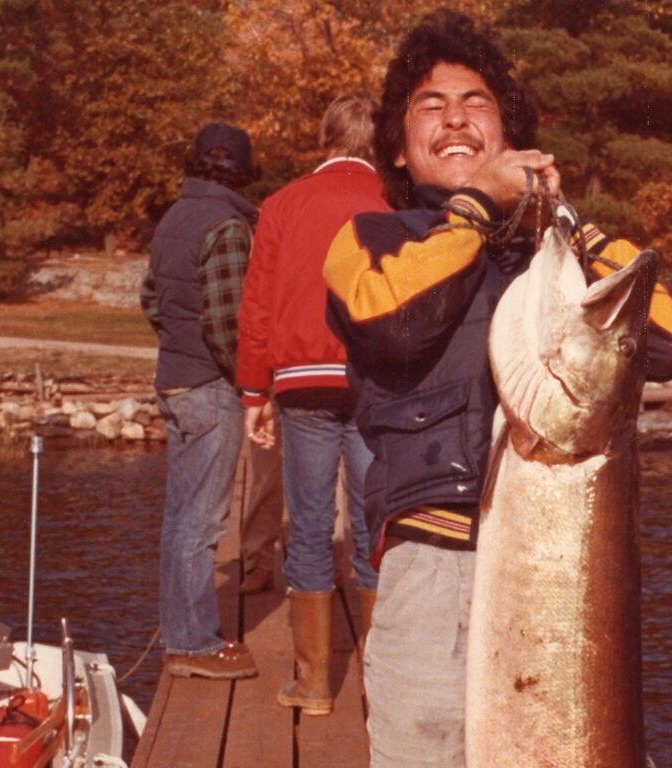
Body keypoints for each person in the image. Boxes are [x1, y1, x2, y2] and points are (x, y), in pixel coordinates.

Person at [322, 11, 672, 766]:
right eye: (431, 105)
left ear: (511, 137)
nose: (456, 117)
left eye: (478, 103)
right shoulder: (371, 239)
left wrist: (570, 224)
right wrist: (472, 210)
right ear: (397, 145)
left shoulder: (553, 262)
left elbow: (670, 342)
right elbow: (391, 323)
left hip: (563, 561)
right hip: (437, 565)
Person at [236, 93, 389, 716]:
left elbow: (258, 306)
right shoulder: (395, 201)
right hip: (374, 379)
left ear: (326, 139)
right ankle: (381, 679)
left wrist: (254, 391)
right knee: (372, 524)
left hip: (302, 381)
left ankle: (314, 683)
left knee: (308, 524)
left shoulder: (281, 204)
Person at [140, 122, 260, 680]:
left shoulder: (173, 216)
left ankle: (181, 636)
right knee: (202, 525)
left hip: (174, 380)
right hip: (210, 388)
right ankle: (193, 645)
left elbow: (151, 298)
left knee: (179, 521)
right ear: (242, 173)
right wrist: (252, 387)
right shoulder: (228, 226)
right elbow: (227, 324)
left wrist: (179, 343)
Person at [238, 405, 285, 596]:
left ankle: (328, 560)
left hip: (327, 395)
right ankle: (259, 564)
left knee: (323, 478)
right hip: (271, 395)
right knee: (266, 478)